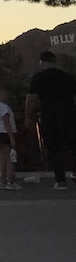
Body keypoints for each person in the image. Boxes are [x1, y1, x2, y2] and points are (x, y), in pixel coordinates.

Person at [26, 51, 76, 189]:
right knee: (72, 145)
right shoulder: (67, 77)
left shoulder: (38, 78)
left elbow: (32, 99)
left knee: (54, 149)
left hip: (49, 117)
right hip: (69, 116)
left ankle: (60, 180)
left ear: (42, 62)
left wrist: (29, 115)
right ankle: (74, 171)